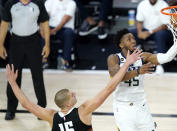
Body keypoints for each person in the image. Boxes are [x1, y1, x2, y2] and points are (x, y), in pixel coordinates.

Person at [6, 49, 141, 131]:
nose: (75, 93)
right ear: (68, 104)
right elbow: (109, 88)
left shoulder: (51, 116)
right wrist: (127, 64)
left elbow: (26, 104)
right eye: (71, 95)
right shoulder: (83, 111)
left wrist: (12, 83)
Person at [107, 29, 177, 131]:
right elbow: (116, 76)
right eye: (129, 39)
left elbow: (166, 57)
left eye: (133, 38)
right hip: (123, 108)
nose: (133, 41)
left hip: (141, 106)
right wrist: (137, 71)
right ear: (121, 45)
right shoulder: (114, 58)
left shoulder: (143, 56)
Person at [0, 0, 50, 120]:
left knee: (37, 76)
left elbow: (45, 24)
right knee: (14, 76)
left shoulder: (38, 3)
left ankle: (41, 109)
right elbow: (4, 24)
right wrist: (0, 44)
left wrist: (47, 44)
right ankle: (11, 109)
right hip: (16, 43)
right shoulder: (10, 4)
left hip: (34, 42)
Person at [129, 0, 173, 74]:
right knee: (130, 33)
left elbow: (165, 25)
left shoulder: (164, 5)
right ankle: (130, 62)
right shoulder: (142, 4)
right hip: (146, 30)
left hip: (160, 31)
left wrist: (150, 32)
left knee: (160, 35)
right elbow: (139, 21)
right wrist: (140, 32)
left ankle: (160, 66)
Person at [44, 0, 76, 71]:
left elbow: (65, 20)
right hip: (50, 27)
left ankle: (65, 62)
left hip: (65, 28)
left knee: (69, 33)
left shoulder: (71, 3)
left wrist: (54, 30)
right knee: (42, 32)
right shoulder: (49, 1)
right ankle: (44, 60)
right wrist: (46, 29)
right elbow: (45, 16)